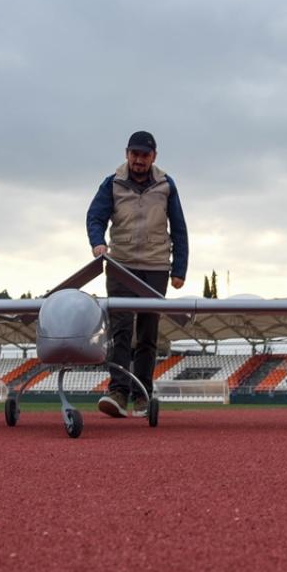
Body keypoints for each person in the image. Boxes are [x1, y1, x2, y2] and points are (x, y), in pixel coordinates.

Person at [86, 130, 188, 418]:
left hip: (156, 267)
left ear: (154, 157)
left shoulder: (166, 185)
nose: (139, 160)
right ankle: (118, 392)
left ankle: (142, 394)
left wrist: (179, 269)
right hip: (120, 265)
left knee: (147, 333)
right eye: (135, 154)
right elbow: (95, 216)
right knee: (120, 330)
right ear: (126, 154)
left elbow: (179, 228)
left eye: (145, 155)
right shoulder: (112, 183)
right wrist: (98, 242)